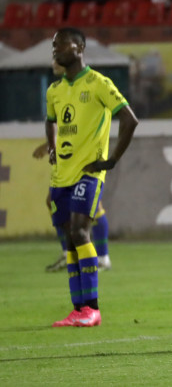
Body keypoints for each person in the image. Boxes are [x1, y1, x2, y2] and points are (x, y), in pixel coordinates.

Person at [47, 28, 138, 327]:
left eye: (61, 43)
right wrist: (51, 147)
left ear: (80, 47)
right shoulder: (54, 91)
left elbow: (129, 119)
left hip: (89, 172)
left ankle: (93, 308)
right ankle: (79, 309)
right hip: (62, 176)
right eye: (54, 45)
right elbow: (50, 121)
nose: (56, 48)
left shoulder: (98, 83)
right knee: (71, 242)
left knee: (80, 232)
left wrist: (110, 161)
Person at [36, 59, 112, 273]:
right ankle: (68, 252)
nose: (54, 61)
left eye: (58, 56)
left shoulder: (91, 85)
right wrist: (50, 145)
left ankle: (103, 256)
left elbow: (84, 127)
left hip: (87, 159)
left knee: (94, 208)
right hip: (70, 159)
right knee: (52, 202)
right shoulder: (59, 91)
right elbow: (70, 127)